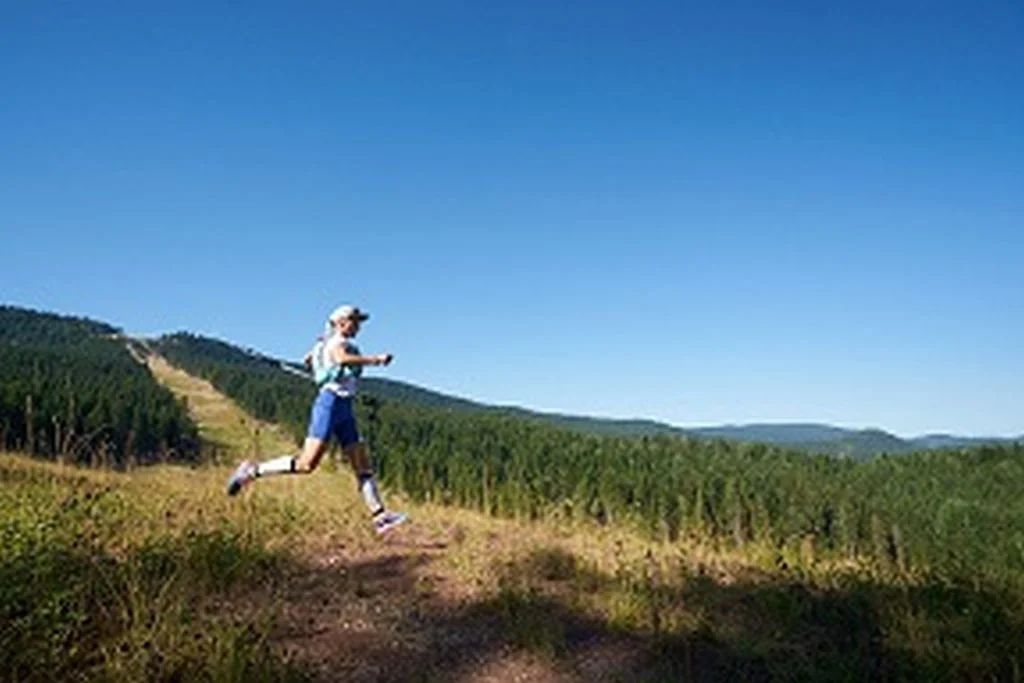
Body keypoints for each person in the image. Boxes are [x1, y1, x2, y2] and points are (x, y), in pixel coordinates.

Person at [226, 304, 408, 535]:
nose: (359, 326)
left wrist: (315, 356)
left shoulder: (327, 343)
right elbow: (341, 359)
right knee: (306, 463)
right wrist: (376, 360)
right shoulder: (337, 343)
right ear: (342, 322)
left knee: (362, 464)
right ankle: (251, 471)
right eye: (355, 321)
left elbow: (315, 358)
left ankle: (380, 516)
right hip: (330, 405)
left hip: (344, 407)